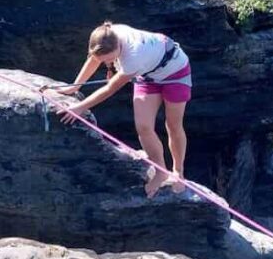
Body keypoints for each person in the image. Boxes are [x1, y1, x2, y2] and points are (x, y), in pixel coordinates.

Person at [53, 21, 192, 198]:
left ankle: (178, 171)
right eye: (106, 61)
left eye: (111, 59)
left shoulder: (133, 56)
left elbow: (110, 89)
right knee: (143, 127)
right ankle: (161, 171)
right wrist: (74, 87)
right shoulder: (106, 35)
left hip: (175, 72)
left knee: (173, 125)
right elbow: (94, 59)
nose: (108, 63)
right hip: (149, 75)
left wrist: (80, 107)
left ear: (119, 46)